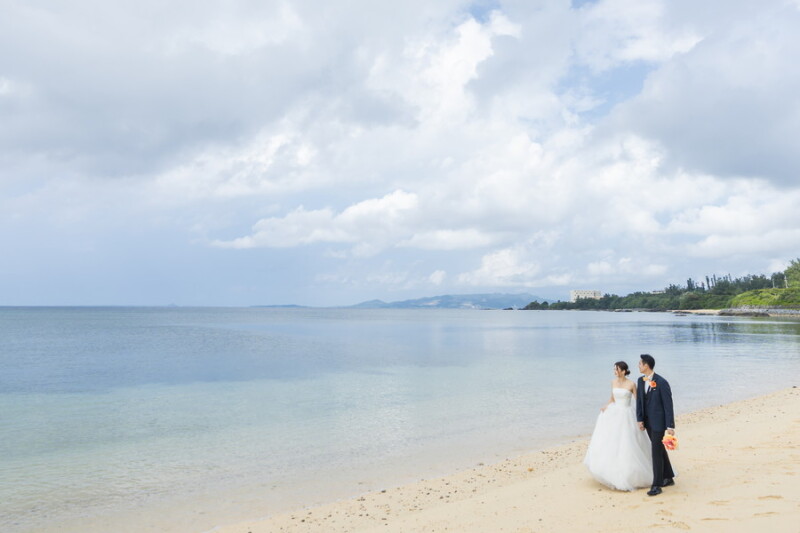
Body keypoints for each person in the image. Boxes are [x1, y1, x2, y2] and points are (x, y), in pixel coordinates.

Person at [584, 361, 653, 491]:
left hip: (627, 414)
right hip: (614, 413)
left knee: (627, 443)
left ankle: (630, 474)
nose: (615, 371)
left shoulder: (631, 384)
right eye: (614, 369)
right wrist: (606, 406)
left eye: (616, 369)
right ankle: (610, 472)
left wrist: (642, 416)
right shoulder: (613, 382)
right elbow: (612, 398)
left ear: (623, 370)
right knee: (611, 442)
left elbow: (638, 401)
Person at [636, 353, 676, 496]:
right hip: (647, 423)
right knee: (659, 449)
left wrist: (670, 426)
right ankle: (669, 477)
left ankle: (657, 484)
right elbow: (639, 401)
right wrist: (639, 419)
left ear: (646, 365)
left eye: (640, 364)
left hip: (659, 423)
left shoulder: (662, 382)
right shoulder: (640, 381)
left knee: (655, 452)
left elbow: (668, 405)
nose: (638, 366)